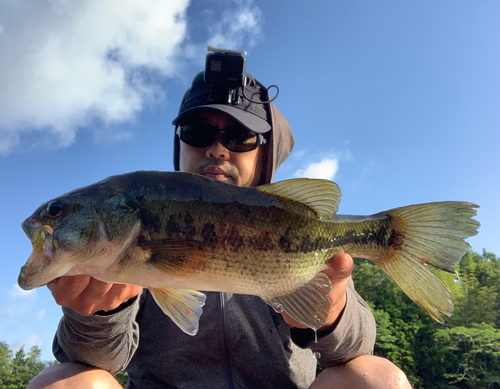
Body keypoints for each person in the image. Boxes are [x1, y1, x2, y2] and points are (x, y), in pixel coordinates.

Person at [28, 72, 412, 388]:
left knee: (377, 379)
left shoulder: (299, 230)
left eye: (240, 136)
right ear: (179, 147)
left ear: (265, 154)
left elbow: (355, 348)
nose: (217, 149)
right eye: (197, 132)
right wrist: (97, 313)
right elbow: (100, 361)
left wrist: (332, 313)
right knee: (67, 382)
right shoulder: (123, 249)